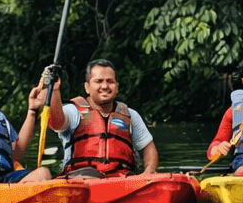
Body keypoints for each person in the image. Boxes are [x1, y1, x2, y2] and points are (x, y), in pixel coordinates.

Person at [32, 60, 160, 177]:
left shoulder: (130, 115)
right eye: (99, 81)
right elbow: (56, 123)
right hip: (82, 179)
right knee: (89, 175)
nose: (105, 86)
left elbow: (148, 148)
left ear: (117, 87)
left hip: (123, 178)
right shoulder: (74, 111)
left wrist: (149, 171)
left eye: (110, 81)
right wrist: (54, 90)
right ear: (87, 87)